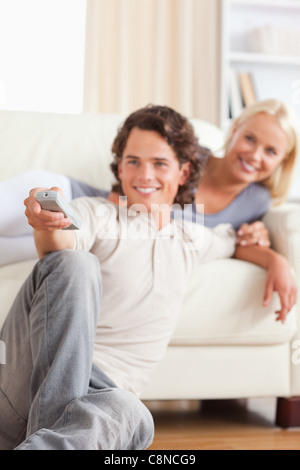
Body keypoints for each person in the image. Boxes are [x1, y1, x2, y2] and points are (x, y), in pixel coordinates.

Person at [0, 105, 237, 450]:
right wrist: (46, 220)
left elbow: (235, 239)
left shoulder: (192, 239)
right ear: (120, 168)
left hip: (95, 408)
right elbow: (63, 244)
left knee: (132, 411)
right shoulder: (97, 213)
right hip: (25, 389)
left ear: (183, 172)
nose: (144, 174)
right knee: (76, 263)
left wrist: (268, 254)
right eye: (133, 161)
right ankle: (53, 423)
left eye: (159, 163)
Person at [1, 98, 297, 266]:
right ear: (233, 131)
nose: (254, 155)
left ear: (282, 161)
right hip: (76, 202)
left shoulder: (258, 201)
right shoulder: (184, 157)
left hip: (94, 239)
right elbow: (123, 198)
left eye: (270, 151)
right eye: (249, 138)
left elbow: (231, 242)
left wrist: (273, 258)